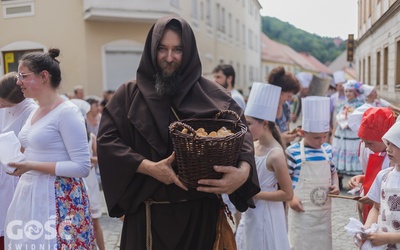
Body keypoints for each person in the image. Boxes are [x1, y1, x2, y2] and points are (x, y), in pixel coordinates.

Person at [96, 16, 260, 249]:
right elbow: (107, 142)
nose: (169, 57)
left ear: (189, 52)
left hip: (200, 217)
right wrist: (148, 167)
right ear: (152, 49)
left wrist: (243, 172)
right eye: (162, 48)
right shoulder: (129, 94)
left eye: (178, 50)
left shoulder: (214, 94)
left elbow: (242, 135)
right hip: (148, 218)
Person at [5, 48, 95, 249]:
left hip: (59, 196)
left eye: (23, 76)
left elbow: (82, 167)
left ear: (44, 76)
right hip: (30, 194)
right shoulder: (35, 109)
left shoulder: (68, 112)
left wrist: (31, 165)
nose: (18, 81)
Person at [235, 82, 293, 250]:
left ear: (265, 124)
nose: (246, 128)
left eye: (250, 123)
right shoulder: (253, 145)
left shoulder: (275, 154)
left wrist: (257, 194)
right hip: (251, 210)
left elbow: (287, 193)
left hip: (268, 212)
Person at [286, 96, 340, 250]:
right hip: (301, 213)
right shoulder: (292, 152)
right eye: (316, 137)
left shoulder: (328, 150)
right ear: (303, 132)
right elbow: (283, 180)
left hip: (323, 216)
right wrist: (291, 198)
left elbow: (333, 172)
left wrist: (335, 185)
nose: (321, 141)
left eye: (325, 136)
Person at [0, 72, 38, 250]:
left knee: (11, 227)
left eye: (4, 104)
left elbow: (27, 149)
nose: (1, 106)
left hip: (14, 174)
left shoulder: (30, 111)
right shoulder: (3, 104)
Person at [347, 107, 395, 222]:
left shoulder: (394, 159)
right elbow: (377, 177)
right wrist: (362, 178)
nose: (366, 147)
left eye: (369, 143)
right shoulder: (374, 151)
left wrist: (376, 199)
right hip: (370, 204)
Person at [70, 98, 106, 250]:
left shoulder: (90, 137)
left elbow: (101, 159)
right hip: (75, 182)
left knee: (95, 220)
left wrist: (89, 159)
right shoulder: (69, 138)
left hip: (90, 181)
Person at [359, 121, 400, 248]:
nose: (388, 148)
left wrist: (387, 238)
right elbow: (376, 207)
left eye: (395, 145)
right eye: (388, 143)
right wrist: (366, 229)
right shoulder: (383, 176)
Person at [331, 80, 365, 188]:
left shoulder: (361, 105)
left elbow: (362, 120)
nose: (347, 93)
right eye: (346, 91)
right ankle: (339, 180)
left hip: (353, 134)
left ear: (356, 92)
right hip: (341, 134)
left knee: (352, 153)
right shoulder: (342, 104)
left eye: (350, 91)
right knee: (339, 153)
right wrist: (333, 133)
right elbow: (337, 119)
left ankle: (355, 182)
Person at [267, 66, 301, 146]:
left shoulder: (285, 107)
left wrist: (291, 135)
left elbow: (287, 129)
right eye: (288, 96)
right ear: (278, 91)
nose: (289, 99)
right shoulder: (266, 109)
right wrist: (281, 139)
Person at [329, 70, 347, 140]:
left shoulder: (349, 97)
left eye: (343, 85)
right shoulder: (333, 98)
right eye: (340, 86)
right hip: (335, 125)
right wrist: (330, 127)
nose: (342, 88)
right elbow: (330, 113)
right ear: (336, 87)